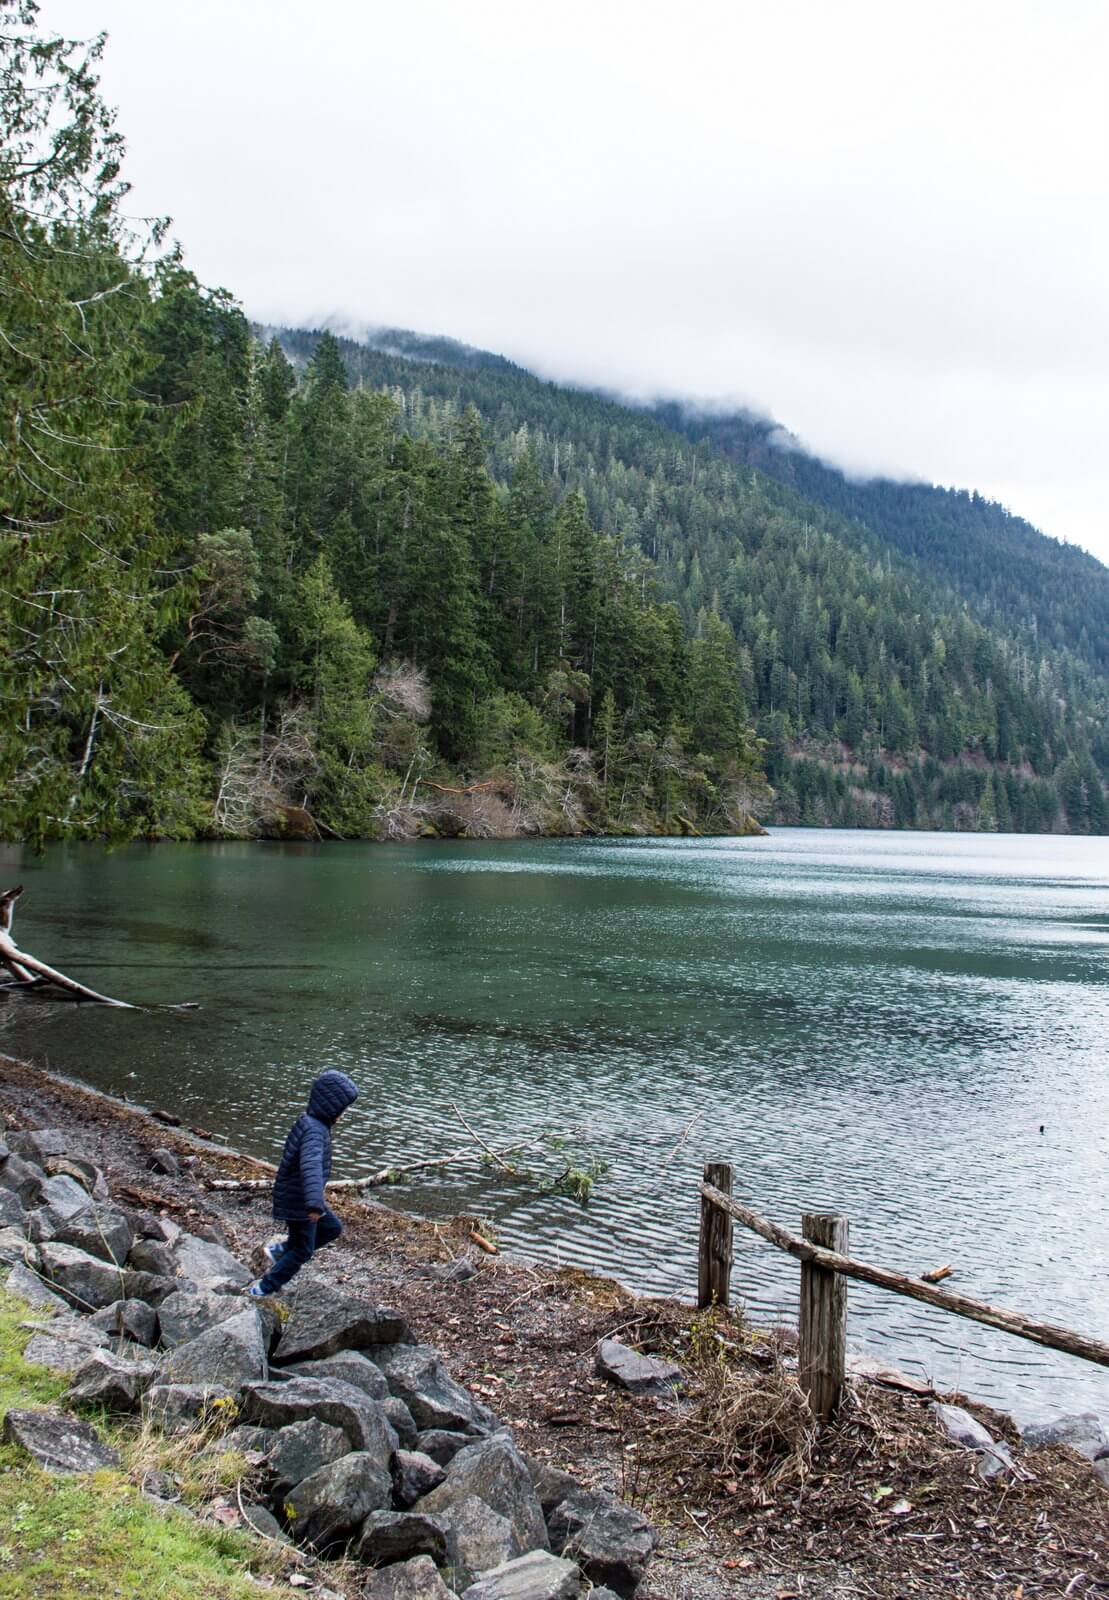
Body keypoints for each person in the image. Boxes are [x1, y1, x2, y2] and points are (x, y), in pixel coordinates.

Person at [247, 1068, 359, 1297]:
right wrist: (315, 1204)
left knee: (332, 1228)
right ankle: (264, 1288)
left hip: (298, 1195)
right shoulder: (315, 1133)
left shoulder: (311, 1122)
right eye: (342, 1109)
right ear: (330, 1106)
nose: (343, 1114)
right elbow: (311, 1167)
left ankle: (281, 1249)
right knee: (303, 1251)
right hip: (301, 1201)